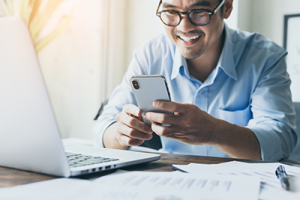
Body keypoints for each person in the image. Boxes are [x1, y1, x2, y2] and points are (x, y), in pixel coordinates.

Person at [93, 0, 297, 161]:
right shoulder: (149, 55)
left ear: (226, 7)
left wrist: (214, 133)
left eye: (199, 11)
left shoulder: (265, 57)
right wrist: (121, 133)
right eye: (171, 11)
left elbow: (280, 141)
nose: (184, 27)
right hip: (171, 182)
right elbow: (104, 127)